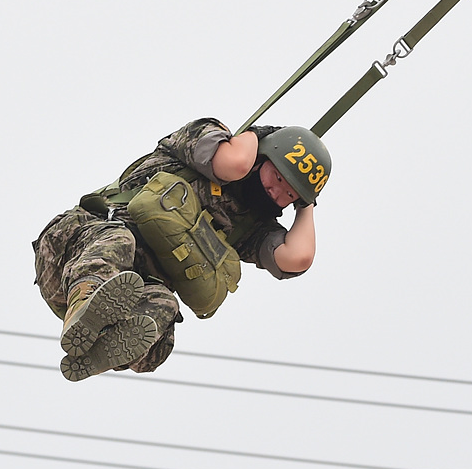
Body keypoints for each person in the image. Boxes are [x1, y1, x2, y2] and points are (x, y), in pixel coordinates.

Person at [32, 117, 330, 381]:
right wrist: (259, 134)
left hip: (120, 296)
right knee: (119, 242)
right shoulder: (204, 140)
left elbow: (298, 258)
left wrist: (307, 200)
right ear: (263, 155)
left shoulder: (250, 228)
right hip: (71, 251)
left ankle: (96, 348)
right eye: (276, 178)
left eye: (288, 196)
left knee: (163, 309)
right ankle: (85, 304)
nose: (276, 193)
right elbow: (234, 164)